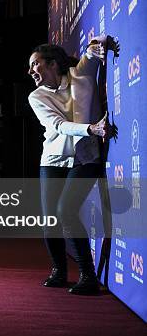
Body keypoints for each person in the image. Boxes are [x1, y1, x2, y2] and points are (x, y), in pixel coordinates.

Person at [27, 35, 119, 295]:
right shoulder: (36, 97)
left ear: (53, 63)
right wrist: (91, 128)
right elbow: (57, 125)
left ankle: (88, 277)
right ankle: (58, 270)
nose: (31, 71)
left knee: (67, 210)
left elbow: (92, 53)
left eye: (35, 64)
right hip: (54, 160)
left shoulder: (80, 75)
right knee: (50, 220)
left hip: (85, 158)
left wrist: (99, 41)